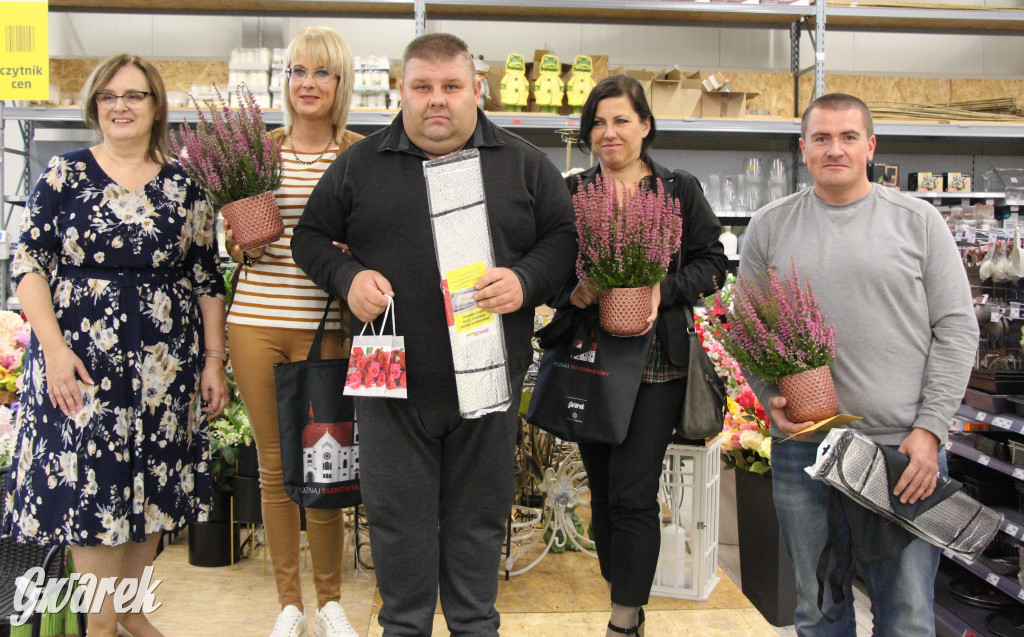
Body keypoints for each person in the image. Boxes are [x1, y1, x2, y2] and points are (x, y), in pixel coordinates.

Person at [292, 33, 576, 636]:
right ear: (403, 91)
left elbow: (565, 240)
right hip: (391, 389)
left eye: (451, 86)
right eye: (422, 87)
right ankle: (405, 628)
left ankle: (475, 626)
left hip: (487, 385)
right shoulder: (360, 163)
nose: (437, 101)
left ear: (478, 89)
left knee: (478, 526)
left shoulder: (524, 164)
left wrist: (526, 280)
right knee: (397, 525)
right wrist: (349, 276)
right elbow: (309, 238)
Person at [1, 54, 228, 637]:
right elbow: (27, 265)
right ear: (94, 105)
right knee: (92, 522)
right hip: (80, 372)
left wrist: (213, 361)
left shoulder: (186, 188)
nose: (120, 106)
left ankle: (127, 618)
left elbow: (206, 280)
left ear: (156, 106)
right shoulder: (62, 176)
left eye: (133, 95)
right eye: (108, 96)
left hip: (162, 376)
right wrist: (52, 349)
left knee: (147, 515)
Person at [740, 93, 978, 635]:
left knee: (908, 615)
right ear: (803, 149)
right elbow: (749, 332)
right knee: (819, 610)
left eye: (848, 137)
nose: (835, 149)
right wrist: (769, 398)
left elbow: (957, 328)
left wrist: (930, 430)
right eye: (821, 138)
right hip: (805, 450)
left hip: (902, 454)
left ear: (870, 146)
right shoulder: (771, 226)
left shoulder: (918, 222)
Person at [560, 74, 727, 637]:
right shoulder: (573, 193)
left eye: (621, 120)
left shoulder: (677, 192)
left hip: (659, 366)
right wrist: (573, 292)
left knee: (634, 493)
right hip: (592, 364)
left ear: (646, 126)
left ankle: (622, 621)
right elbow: (549, 270)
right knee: (604, 495)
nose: (609, 133)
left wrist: (664, 289)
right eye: (599, 123)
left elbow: (712, 264)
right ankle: (626, 593)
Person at [224, 26, 363, 637]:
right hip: (254, 322)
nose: (308, 84)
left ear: (341, 83)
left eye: (322, 73)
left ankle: (330, 601)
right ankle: (289, 604)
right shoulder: (255, 152)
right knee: (275, 466)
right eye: (298, 72)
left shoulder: (360, 154)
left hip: (326, 326)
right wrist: (235, 241)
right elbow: (227, 242)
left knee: (325, 462)